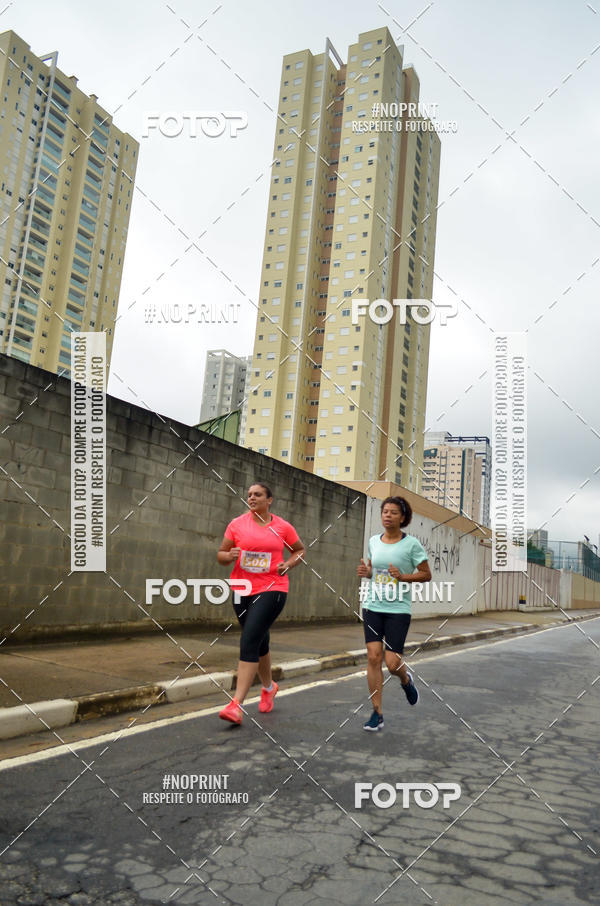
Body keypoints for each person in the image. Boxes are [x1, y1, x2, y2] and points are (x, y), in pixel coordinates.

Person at [217, 482, 305, 725]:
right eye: (249, 495)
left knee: (249, 639)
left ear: (269, 500)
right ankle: (268, 687)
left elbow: (299, 550)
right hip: (241, 589)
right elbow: (221, 555)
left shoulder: (282, 527)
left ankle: (236, 704)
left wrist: (288, 564)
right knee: (259, 639)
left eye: (257, 495)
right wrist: (230, 555)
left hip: (272, 588)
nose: (252, 498)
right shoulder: (236, 524)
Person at [357, 496, 431, 731]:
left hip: (398, 609)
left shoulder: (412, 545)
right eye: (385, 511)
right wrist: (367, 572)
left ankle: (406, 681)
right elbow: (375, 571)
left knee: (392, 663)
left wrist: (403, 577)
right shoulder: (373, 541)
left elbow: (426, 574)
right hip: (372, 606)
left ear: (403, 517)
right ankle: (377, 713)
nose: (387, 515)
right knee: (373, 657)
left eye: (393, 512)